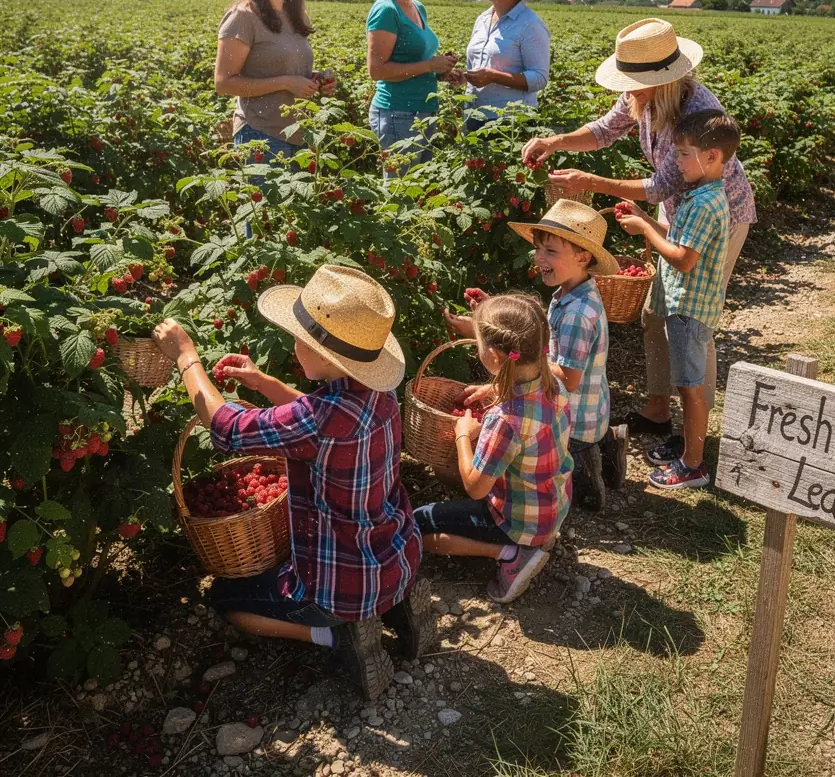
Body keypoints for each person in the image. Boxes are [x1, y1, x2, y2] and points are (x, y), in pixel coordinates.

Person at [151, 265, 430, 701]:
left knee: (229, 601)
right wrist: (266, 384)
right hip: (398, 550)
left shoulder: (318, 420)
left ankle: (338, 637)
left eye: (298, 339)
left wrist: (186, 356)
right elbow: (319, 417)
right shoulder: (378, 394)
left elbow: (224, 426)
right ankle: (398, 603)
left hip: (340, 584)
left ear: (322, 357)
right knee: (379, 572)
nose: (293, 344)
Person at [521, 18, 756, 447]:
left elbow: (657, 188)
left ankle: (693, 435)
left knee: (692, 323)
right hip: (679, 214)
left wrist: (589, 183)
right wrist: (553, 141)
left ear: (663, 81)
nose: (627, 91)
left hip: (718, 217)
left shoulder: (694, 113)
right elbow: (604, 131)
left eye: (634, 83)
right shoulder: (643, 100)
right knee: (656, 313)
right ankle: (658, 410)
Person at [443, 201, 622, 510]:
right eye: (539, 249)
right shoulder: (573, 292)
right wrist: (492, 323)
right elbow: (541, 341)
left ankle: (587, 471)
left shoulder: (577, 314)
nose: (539, 257)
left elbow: (569, 379)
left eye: (550, 251)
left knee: (525, 454)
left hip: (571, 419)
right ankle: (607, 446)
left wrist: (498, 386)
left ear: (583, 256)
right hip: (588, 409)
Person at [415, 293, 573, 604]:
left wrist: (464, 435)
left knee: (419, 523)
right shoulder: (553, 383)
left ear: (495, 356)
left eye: (478, 344)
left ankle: (510, 554)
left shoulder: (505, 420)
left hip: (517, 522)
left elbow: (474, 487)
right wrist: (493, 387)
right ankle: (530, 544)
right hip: (552, 505)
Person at [615, 111, 739, 489]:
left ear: (713, 156)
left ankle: (693, 464)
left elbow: (684, 259)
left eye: (684, 154)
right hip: (685, 306)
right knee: (687, 383)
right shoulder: (701, 196)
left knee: (690, 386)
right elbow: (681, 234)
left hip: (689, 309)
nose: (677, 162)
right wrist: (646, 219)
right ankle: (689, 447)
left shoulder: (704, 203)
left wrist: (644, 233)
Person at [216, 0, 337, 159]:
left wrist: (314, 80)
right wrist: (287, 82)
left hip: (300, 133)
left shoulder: (296, 15)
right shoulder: (243, 16)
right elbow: (224, 83)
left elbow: (286, 70)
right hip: (260, 135)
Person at [366, 0, 456, 163]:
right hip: (398, 114)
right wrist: (428, 66)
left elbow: (417, 61)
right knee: (401, 189)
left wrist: (441, 70)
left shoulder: (417, 7)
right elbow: (377, 71)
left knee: (420, 188)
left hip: (422, 112)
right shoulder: (387, 10)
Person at [447, 0, 550, 132]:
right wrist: (464, 77)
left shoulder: (530, 24)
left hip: (509, 124)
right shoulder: (483, 19)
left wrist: (494, 77)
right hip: (473, 116)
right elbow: (481, 69)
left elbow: (539, 78)